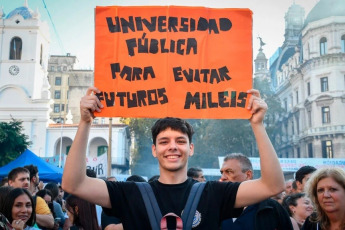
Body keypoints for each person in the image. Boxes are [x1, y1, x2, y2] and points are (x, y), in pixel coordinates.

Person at [61, 87, 285, 229]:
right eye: (164, 141)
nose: (172, 147)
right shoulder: (130, 193)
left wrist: (258, 125)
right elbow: (73, 183)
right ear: (154, 150)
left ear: (191, 149)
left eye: (180, 141)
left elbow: (272, 185)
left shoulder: (214, 193)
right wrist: (85, 122)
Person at [220, 153, 293, 230]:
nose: (223, 178)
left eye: (229, 172)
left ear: (248, 175)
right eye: (222, 173)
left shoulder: (271, 208)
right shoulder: (216, 209)